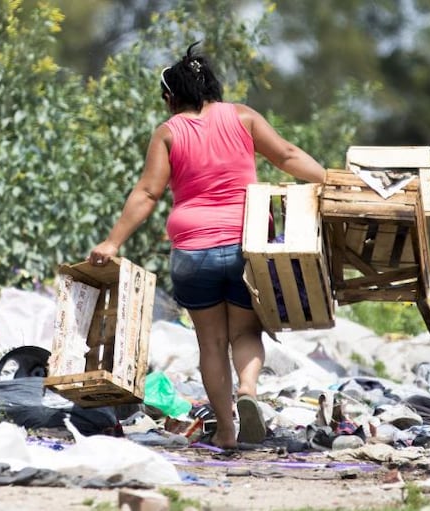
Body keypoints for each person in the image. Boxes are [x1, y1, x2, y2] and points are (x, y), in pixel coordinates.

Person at [89, 42, 326, 449]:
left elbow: (147, 193)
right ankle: (248, 392)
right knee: (247, 331)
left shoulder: (168, 133)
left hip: (193, 251)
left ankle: (228, 431)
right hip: (246, 245)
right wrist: (332, 180)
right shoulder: (243, 117)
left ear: (171, 96)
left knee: (211, 342)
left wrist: (112, 243)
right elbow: (286, 156)